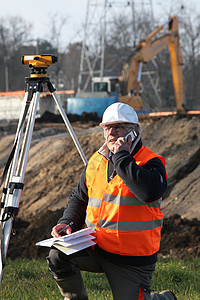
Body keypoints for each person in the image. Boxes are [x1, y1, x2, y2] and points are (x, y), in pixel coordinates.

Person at [47, 103, 177, 300]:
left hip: (131, 260)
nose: (113, 132)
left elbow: (148, 193)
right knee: (57, 254)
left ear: (135, 132)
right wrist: (68, 222)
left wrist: (122, 156)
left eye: (120, 127)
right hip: (95, 248)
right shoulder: (96, 161)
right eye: (108, 128)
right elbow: (80, 197)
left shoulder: (151, 162)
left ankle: (164, 298)